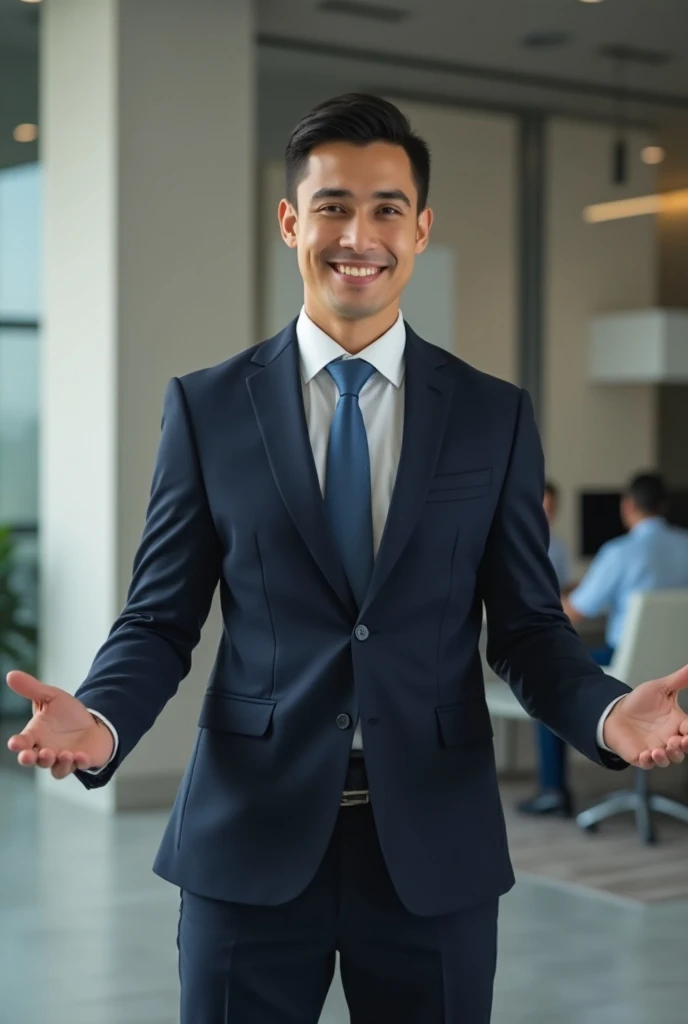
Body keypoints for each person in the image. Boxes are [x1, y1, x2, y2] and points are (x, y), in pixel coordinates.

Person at [6, 95, 688, 1024]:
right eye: (331, 205)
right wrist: (105, 721)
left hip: (433, 845)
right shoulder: (207, 408)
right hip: (247, 838)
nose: (357, 235)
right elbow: (162, 620)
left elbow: (526, 629)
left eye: (385, 208)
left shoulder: (493, 416)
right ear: (291, 221)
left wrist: (606, 711)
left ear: (420, 228)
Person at [521, 470, 688, 818]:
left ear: (628, 506)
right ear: (664, 505)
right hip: (677, 669)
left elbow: (576, 611)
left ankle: (553, 791)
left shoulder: (620, 551)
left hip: (625, 661)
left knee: (552, 680)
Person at [518, 480, 578, 817]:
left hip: (551, 634)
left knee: (550, 682)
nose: (546, 515)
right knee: (550, 680)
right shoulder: (511, 543)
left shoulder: (558, 546)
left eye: (551, 508)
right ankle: (554, 787)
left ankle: (553, 789)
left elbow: (568, 595)